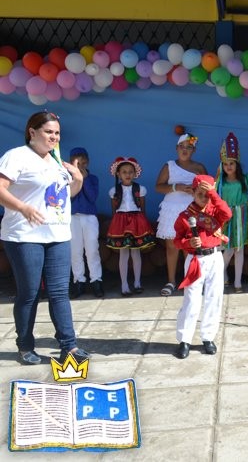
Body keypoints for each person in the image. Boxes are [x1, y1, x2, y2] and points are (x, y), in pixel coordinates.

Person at [0, 111, 90, 365]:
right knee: (29, 293)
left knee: (60, 292)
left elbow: (64, 196)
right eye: (49, 131)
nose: (54, 137)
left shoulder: (56, 161)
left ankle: (69, 346)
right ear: (32, 132)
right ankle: (25, 345)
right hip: (24, 235)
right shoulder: (17, 156)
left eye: (57, 133)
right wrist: (23, 208)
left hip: (57, 234)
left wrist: (78, 180)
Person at [172, 174, 232, 359]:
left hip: (215, 258)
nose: (204, 198)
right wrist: (188, 242)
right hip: (195, 260)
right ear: (193, 193)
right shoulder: (185, 216)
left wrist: (213, 194)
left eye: (207, 194)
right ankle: (185, 339)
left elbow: (227, 214)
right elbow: (177, 240)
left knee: (214, 297)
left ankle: (208, 337)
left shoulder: (215, 212)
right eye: (200, 194)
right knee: (191, 300)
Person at [155, 134, 207, 297]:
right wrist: (176, 187)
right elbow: (158, 187)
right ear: (176, 148)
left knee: (190, 247)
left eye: (189, 147)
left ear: (194, 150)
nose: (185, 150)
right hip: (172, 209)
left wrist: (196, 190)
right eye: (182, 147)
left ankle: (190, 281)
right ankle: (171, 281)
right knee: (172, 247)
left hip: (191, 210)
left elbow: (207, 188)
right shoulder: (169, 166)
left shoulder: (199, 168)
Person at [216, 132, 248, 293]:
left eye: (231, 163)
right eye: (225, 164)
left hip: (241, 216)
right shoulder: (220, 182)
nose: (228, 166)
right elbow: (213, 195)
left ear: (237, 164)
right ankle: (221, 273)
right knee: (227, 249)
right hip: (226, 216)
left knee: (239, 249)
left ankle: (237, 282)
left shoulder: (245, 178)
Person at [106, 157, 156, 296]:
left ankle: (137, 283)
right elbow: (114, 210)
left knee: (136, 252)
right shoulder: (113, 191)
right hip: (120, 221)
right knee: (124, 253)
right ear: (118, 174)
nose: (127, 174)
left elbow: (143, 208)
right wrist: (115, 225)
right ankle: (124, 284)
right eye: (124, 172)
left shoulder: (140, 189)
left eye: (130, 172)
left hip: (136, 221)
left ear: (135, 173)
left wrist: (144, 225)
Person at [67, 146, 103, 298]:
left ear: (87, 163)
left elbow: (92, 197)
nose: (80, 166)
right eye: (77, 163)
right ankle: (78, 281)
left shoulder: (93, 178)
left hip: (89, 217)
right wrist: (76, 179)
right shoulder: (67, 178)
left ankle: (96, 280)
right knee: (75, 251)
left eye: (83, 163)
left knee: (92, 250)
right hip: (72, 217)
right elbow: (69, 197)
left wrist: (85, 179)